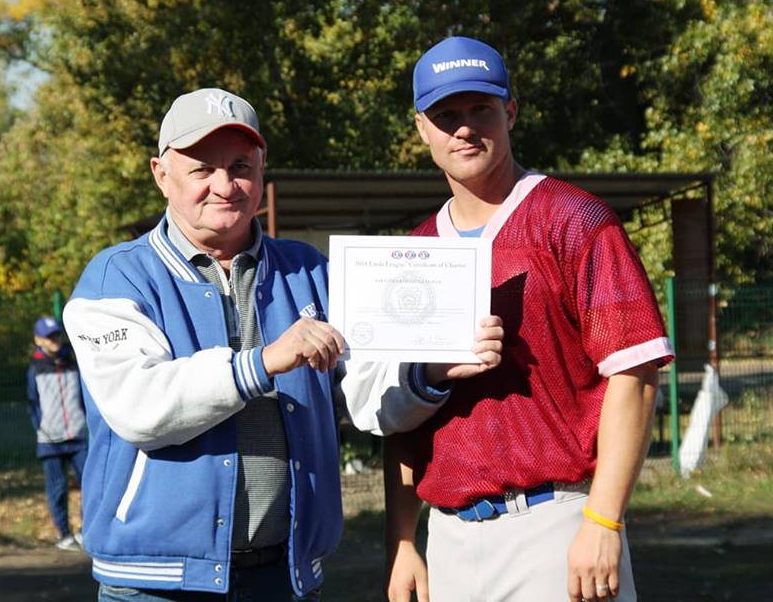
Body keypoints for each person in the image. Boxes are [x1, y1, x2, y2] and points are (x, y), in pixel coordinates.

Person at [62, 87, 506, 601]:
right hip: (155, 585)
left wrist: (429, 371)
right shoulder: (116, 277)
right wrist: (264, 362)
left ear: (262, 168)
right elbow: (140, 408)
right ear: (161, 175)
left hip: (286, 576)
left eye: (240, 166)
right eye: (202, 169)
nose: (224, 185)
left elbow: (369, 401)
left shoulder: (313, 270)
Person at [345, 36, 674, 602]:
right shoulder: (415, 250)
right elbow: (395, 419)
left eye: (481, 109)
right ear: (421, 127)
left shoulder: (575, 220)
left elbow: (635, 373)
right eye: (446, 115)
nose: (464, 128)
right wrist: (402, 539)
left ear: (511, 112)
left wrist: (604, 519)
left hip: (554, 521)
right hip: (447, 534)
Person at [27, 315, 87, 552]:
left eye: (57, 335)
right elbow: (32, 402)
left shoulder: (72, 362)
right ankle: (64, 533)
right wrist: (41, 426)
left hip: (78, 435)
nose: (55, 340)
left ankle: (85, 530)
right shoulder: (35, 369)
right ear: (38, 340)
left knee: (89, 484)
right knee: (57, 488)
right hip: (50, 440)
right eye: (49, 337)